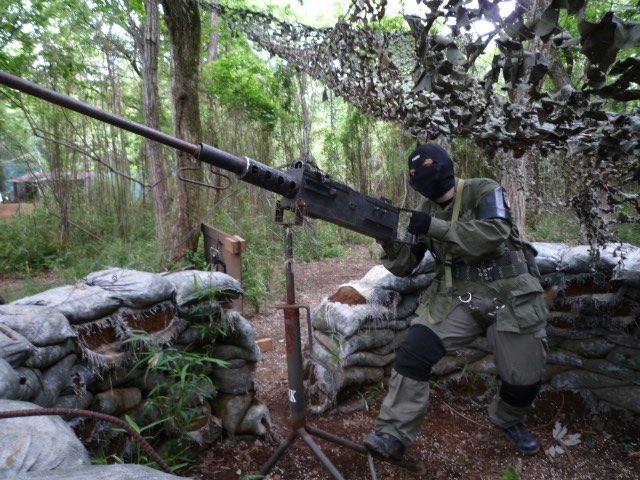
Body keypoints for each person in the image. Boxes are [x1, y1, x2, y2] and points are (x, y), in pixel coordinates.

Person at [363, 143, 549, 460]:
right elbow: (406, 265)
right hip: (458, 297)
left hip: (511, 294)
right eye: (414, 172)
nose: (421, 175)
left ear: (446, 167)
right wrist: (388, 239)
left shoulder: (483, 189)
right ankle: (392, 435)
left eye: (428, 167)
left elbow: (493, 234)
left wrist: (432, 226)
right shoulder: (423, 211)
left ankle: (508, 420)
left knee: (523, 380)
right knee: (414, 352)